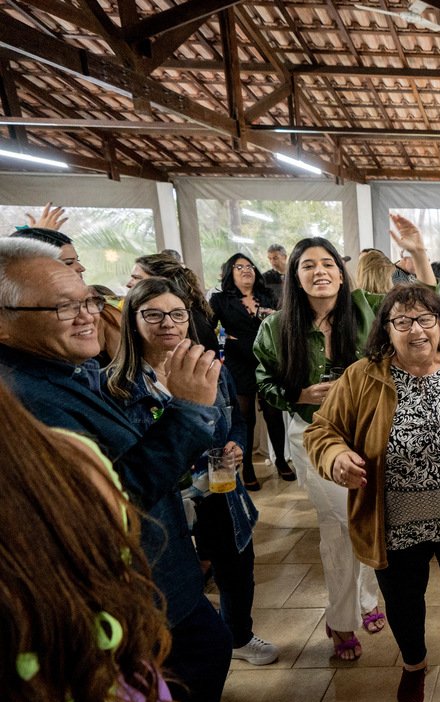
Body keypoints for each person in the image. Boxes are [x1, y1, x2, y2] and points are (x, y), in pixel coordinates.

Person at [0, 237, 246, 702]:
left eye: (88, 299)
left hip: (156, 565)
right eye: (64, 306)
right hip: (129, 578)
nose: (87, 316)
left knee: (197, 656)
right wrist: (185, 413)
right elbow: (112, 497)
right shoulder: (27, 400)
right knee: (193, 659)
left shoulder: (63, 372)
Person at [303, 284, 440, 702]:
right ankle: (414, 665)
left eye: (425, 319)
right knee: (403, 603)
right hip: (395, 523)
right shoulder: (363, 376)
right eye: (402, 321)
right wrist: (335, 456)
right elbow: (321, 432)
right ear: (387, 329)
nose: (415, 330)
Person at [0, 383, 176, 702]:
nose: (86, 316)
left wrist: (187, 414)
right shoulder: (71, 456)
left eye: (94, 309)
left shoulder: (71, 459)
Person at [254, 231, 411, 661]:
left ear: (342, 276)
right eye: (308, 266)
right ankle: (342, 619)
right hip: (312, 437)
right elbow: (263, 379)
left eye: (327, 264)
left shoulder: (365, 309)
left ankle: (367, 599)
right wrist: (299, 395)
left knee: (371, 516)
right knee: (342, 525)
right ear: (295, 277)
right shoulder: (274, 326)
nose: (320, 272)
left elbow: (420, 307)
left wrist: (417, 254)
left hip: (370, 433)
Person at [104, 278, 277, 668]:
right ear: (132, 321)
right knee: (176, 583)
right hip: (163, 502)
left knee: (235, 569)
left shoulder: (209, 367)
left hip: (218, 489)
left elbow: (236, 419)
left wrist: (234, 443)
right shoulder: (116, 386)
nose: (168, 323)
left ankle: (238, 636)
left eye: (177, 314)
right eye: (154, 314)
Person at [209, 253, 293, 488]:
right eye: (239, 267)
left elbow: (284, 324)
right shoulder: (220, 300)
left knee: (274, 415)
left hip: (269, 361)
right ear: (229, 272)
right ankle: (247, 467)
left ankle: (281, 461)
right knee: (245, 418)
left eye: (250, 266)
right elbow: (208, 331)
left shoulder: (268, 296)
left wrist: (275, 316)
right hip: (238, 363)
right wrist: (226, 342)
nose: (246, 270)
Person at [126, 253, 220, 353]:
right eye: (153, 315)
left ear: (161, 282)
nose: (128, 284)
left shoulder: (191, 319)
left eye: (136, 278)